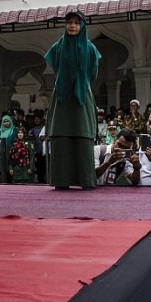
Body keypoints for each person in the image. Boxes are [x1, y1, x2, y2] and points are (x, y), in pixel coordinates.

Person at [44, 10, 101, 190]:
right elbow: (55, 66)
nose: (72, 26)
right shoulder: (58, 47)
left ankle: (85, 180)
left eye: (76, 23)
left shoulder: (90, 48)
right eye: (69, 22)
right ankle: (61, 181)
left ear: (82, 26)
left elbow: (93, 72)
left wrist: (80, 84)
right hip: (62, 96)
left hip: (82, 96)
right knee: (61, 136)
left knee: (83, 135)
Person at [0, 114, 17, 183]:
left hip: (11, 152)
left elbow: (16, 140)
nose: (6, 123)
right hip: (1, 153)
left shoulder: (14, 130)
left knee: (9, 168)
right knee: (1, 168)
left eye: (7, 121)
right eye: (4, 121)